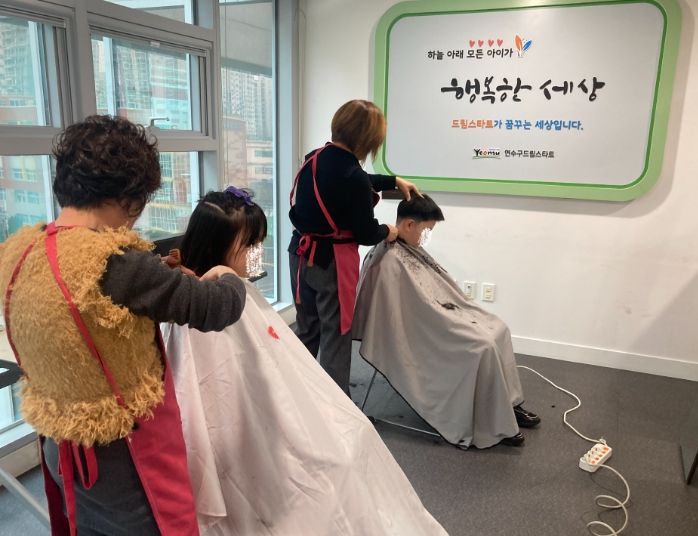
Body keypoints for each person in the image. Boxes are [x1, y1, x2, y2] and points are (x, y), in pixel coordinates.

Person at [0, 116, 247, 535]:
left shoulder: (19, 252)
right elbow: (216, 308)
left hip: (60, 446)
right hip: (122, 457)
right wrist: (228, 275)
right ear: (128, 197)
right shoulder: (114, 262)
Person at [164, 188, 447, 536]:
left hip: (282, 411)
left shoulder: (233, 288)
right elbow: (219, 400)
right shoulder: (204, 308)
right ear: (215, 246)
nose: (257, 255)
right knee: (335, 466)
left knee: (356, 433)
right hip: (254, 438)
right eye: (250, 246)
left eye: (258, 244)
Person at [353, 195, 540, 449]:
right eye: (426, 231)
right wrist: (451, 320)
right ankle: (494, 422)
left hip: (440, 316)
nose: (426, 238)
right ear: (409, 225)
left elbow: (437, 293)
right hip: (424, 329)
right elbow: (407, 314)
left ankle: (508, 405)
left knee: (499, 329)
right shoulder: (388, 259)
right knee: (483, 346)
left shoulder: (409, 248)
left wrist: (458, 312)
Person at [288, 99, 420, 394]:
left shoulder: (314, 158)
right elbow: (365, 232)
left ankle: (297, 395)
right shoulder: (353, 177)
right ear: (368, 139)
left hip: (299, 255)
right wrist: (388, 231)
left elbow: (350, 180)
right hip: (330, 265)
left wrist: (392, 181)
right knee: (336, 334)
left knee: (307, 328)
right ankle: (337, 406)